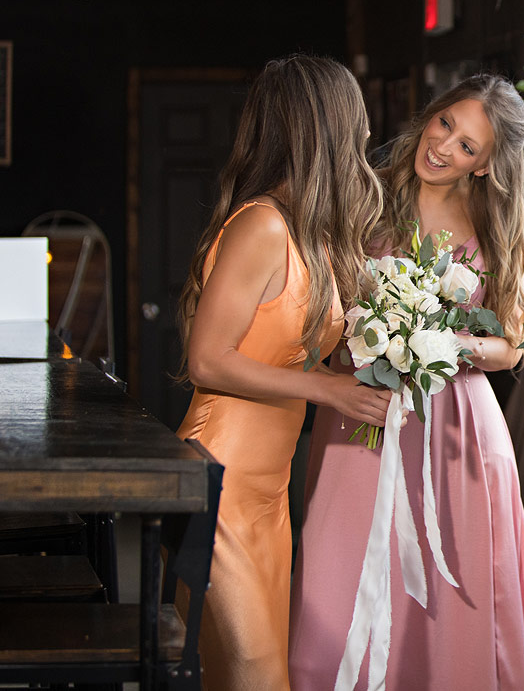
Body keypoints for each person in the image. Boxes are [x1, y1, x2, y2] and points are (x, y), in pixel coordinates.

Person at [288, 74, 524, 690]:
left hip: (457, 429)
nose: (444, 146)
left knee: (450, 597)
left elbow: (513, 345)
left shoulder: (494, 224)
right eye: (445, 124)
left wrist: (450, 344)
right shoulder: (362, 196)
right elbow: (316, 309)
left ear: (485, 166)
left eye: (467, 146)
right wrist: (371, 335)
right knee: (336, 580)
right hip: (363, 410)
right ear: (430, 114)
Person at [176, 54, 389, 689]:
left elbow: (290, 350)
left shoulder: (312, 234)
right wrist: (326, 388)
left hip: (268, 491)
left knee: (251, 674)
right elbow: (206, 358)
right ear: (324, 128)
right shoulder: (262, 225)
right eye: (355, 117)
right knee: (254, 675)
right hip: (219, 478)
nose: (366, 132)